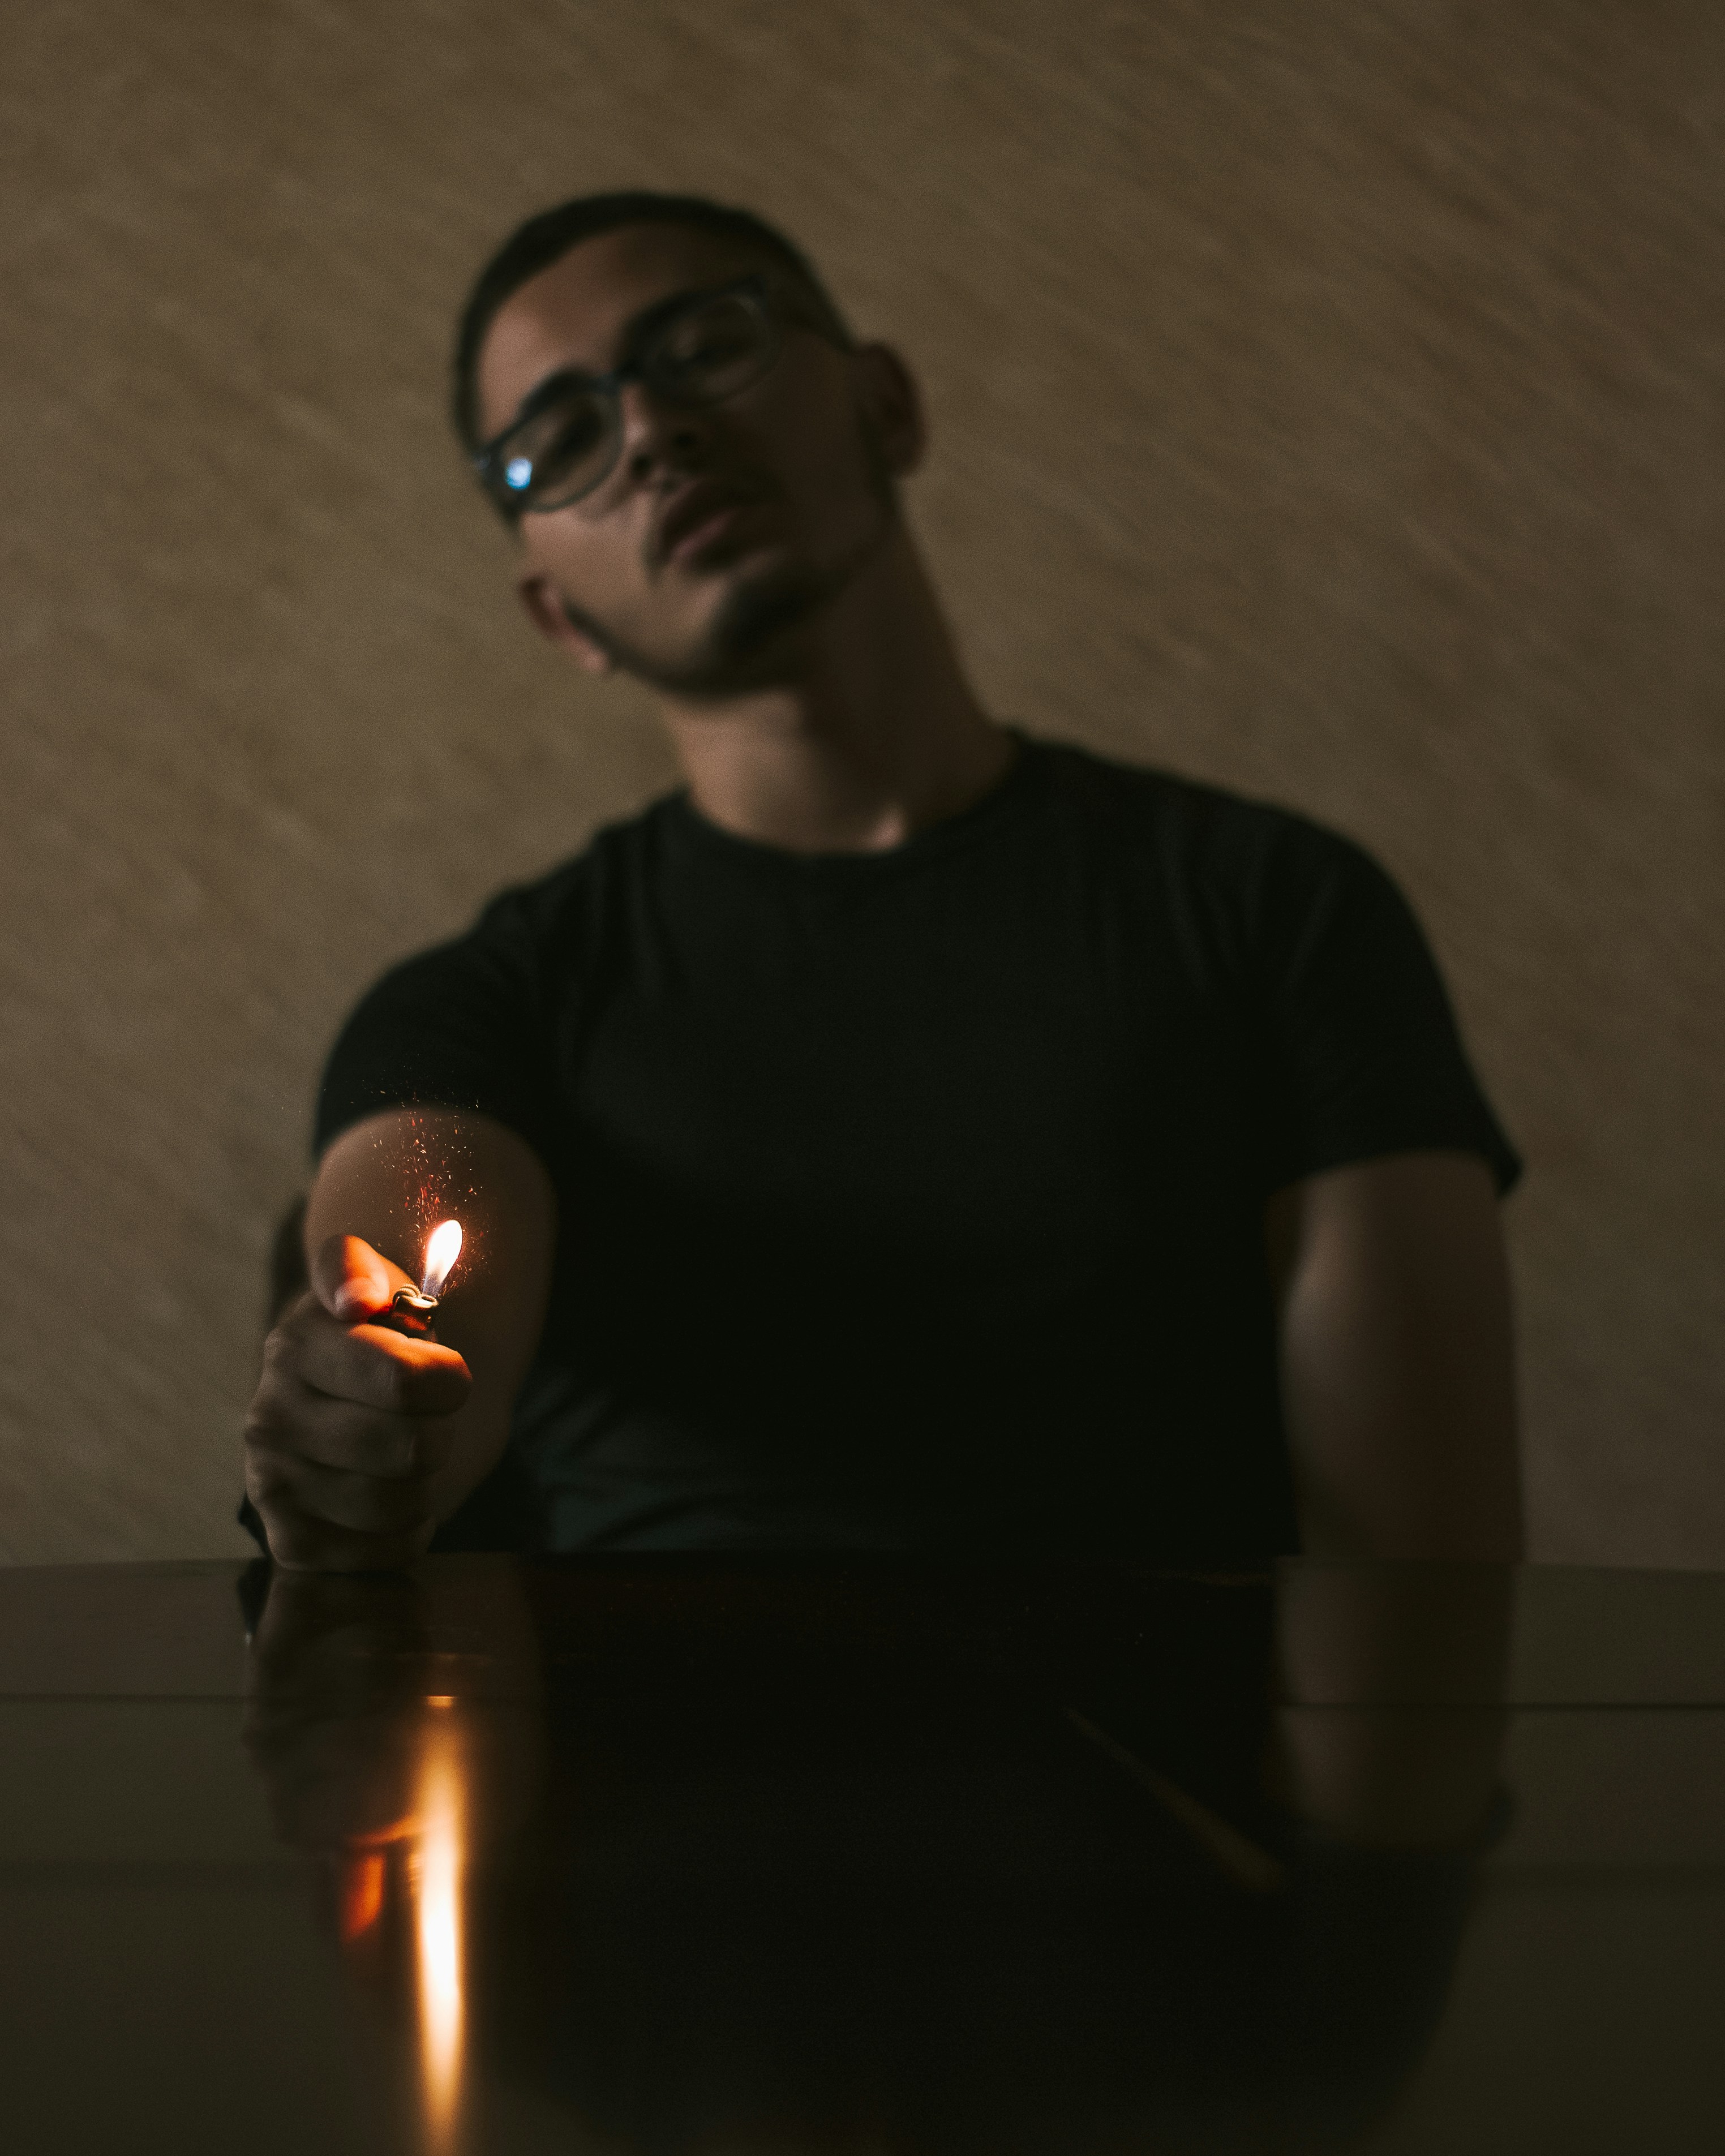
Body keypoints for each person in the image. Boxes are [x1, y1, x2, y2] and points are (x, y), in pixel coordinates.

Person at [242, 191, 1524, 1573]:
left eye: (704, 346)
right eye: (560, 442)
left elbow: (1421, 1600)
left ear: (888, 407)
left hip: (1180, 1782)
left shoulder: (1277, 912)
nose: (655, 435)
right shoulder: (491, 1007)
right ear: (560, 617)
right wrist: (377, 1413)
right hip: (672, 1780)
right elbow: (426, 1211)